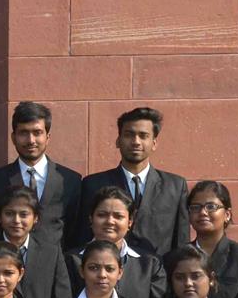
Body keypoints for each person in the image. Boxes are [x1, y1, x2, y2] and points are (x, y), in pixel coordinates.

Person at [78, 107, 189, 255]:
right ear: (118, 141)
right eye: (129, 135)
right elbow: (83, 236)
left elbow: (181, 242)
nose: (136, 142)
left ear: (154, 143)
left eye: (143, 136)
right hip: (106, 272)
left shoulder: (175, 186)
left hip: (158, 274)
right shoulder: (93, 184)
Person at [0, 102, 83, 250]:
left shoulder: (70, 180)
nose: (31, 140)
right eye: (24, 133)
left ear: (48, 137)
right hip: (8, 264)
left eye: (37, 133)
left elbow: (75, 231)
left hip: (54, 265)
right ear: (13, 138)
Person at [66, 185, 165, 298]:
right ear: (91, 218)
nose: (110, 221)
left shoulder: (150, 264)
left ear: (130, 222)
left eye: (118, 216)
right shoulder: (70, 260)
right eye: (102, 215)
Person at [0, 186, 70, 298]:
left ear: (36, 218)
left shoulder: (51, 253)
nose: (16, 220)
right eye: (9, 214)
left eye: (23, 214)